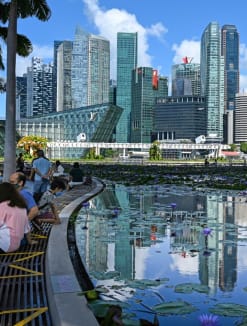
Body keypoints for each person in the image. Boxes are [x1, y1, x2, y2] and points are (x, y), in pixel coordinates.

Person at [0, 183, 35, 253]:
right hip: (16, 245)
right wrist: (30, 241)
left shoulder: (2, 206)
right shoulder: (22, 207)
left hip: (3, 245)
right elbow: (26, 228)